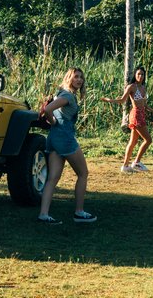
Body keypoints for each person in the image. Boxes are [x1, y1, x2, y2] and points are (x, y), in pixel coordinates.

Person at [36, 67, 97, 225]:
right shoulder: (68, 96)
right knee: (83, 173)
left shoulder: (61, 94)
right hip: (64, 138)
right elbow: (48, 109)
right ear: (69, 78)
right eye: (76, 76)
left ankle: (44, 215)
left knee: (52, 178)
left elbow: (51, 110)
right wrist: (53, 121)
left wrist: (53, 122)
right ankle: (79, 212)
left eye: (81, 77)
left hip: (54, 138)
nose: (79, 80)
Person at [101, 66, 153, 173]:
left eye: (142, 74)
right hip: (136, 114)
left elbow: (144, 104)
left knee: (133, 141)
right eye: (138, 74)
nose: (140, 76)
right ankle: (136, 162)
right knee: (148, 140)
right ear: (135, 75)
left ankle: (125, 166)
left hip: (142, 114)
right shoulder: (131, 87)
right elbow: (122, 100)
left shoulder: (143, 88)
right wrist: (109, 100)